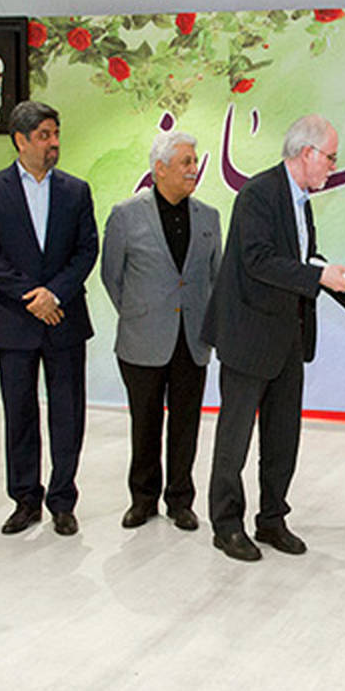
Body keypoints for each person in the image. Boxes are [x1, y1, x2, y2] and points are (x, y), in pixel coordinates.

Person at [200, 114, 345, 561]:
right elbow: (258, 260)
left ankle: (272, 519)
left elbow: (305, 260)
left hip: (288, 336)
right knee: (235, 439)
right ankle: (226, 525)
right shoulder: (258, 194)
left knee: (283, 436)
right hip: (249, 336)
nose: (333, 167)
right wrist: (320, 275)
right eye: (330, 157)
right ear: (307, 153)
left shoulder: (301, 201)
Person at [0, 100, 98, 537]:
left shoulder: (76, 191)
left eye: (55, 133)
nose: (53, 142)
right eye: (44, 135)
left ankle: (63, 500)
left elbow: (87, 250)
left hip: (64, 318)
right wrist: (32, 296)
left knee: (68, 414)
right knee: (19, 415)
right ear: (20, 140)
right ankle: (25, 500)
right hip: (15, 320)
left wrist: (54, 293)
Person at [101, 131, 221, 532]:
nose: (193, 169)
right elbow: (112, 276)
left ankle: (181, 501)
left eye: (195, 161)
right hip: (142, 339)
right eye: (186, 162)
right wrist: (140, 313)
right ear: (160, 168)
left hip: (192, 340)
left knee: (186, 424)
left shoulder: (209, 217)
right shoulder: (125, 215)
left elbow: (215, 276)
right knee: (145, 424)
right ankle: (143, 499)